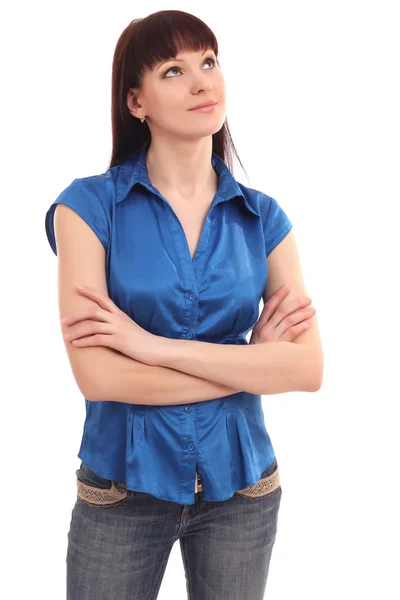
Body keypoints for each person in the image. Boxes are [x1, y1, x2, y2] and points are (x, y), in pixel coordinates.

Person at [45, 9, 323, 600]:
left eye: (209, 62)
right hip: (121, 491)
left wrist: (150, 348)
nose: (203, 82)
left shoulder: (264, 217)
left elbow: (306, 369)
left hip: (244, 491)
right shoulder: (88, 209)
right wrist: (250, 366)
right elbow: (97, 376)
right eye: (174, 70)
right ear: (135, 102)